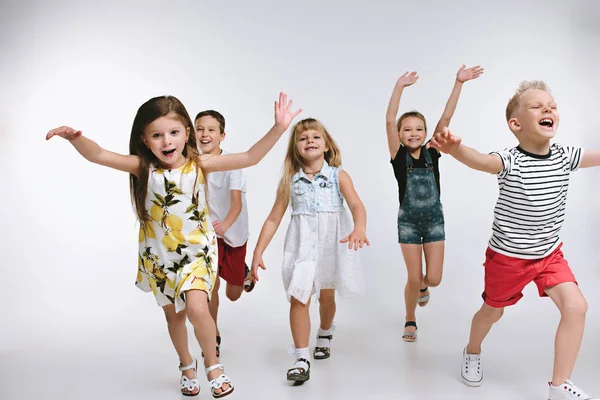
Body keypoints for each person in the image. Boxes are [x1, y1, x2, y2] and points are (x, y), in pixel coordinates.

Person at [46, 93, 301, 398]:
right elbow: (99, 155)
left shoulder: (200, 164)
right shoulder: (143, 167)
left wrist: (279, 128)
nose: (166, 141)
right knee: (174, 317)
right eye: (157, 135)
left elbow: (250, 157)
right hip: (160, 257)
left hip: (196, 254)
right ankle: (186, 365)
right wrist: (76, 139)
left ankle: (213, 365)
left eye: (174, 133)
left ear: (187, 134)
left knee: (196, 308)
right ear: (145, 138)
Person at [428, 81, 600, 400]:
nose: (548, 109)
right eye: (537, 106)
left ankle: (559, 387)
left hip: (549, 255)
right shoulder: (509, 160)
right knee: (492, 312)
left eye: (552, 105)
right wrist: (455, 150)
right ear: (516, 124)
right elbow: (480, 160)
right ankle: (472, 350)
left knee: (577, 306)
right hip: (507, 258)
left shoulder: (565, 155)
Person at [250, 118, 368, 383]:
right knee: (299, 298)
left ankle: (325, 332)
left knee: (326, 297)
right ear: (296, 148)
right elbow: (273, 219)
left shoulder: (339, 175)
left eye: (315, 137)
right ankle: (301, 357)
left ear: (326, 145)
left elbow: (356, 205)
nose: (310, 141)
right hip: (302, 248)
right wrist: (258, 252)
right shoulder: (290, 181)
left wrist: (359, 227)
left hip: (330, 246)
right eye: (303, 139)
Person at [385, 66, 483, 341]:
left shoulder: (432, 151)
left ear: (427, 132)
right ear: (400, 134)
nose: (413, 133)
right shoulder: (398, 156)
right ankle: (410, 319)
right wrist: (399, 87)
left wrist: (458, 82)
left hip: (434, 221)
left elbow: (447, 116)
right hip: (408, 223)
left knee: (434, 279)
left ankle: (423, 289)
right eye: (407, 129)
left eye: (419, 129)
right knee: (413, 278)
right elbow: (389, 118)